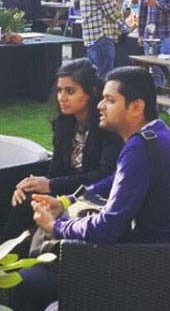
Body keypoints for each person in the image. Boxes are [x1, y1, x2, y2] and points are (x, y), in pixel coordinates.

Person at [14, 66, 170, 311]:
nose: (100, 106)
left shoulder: (140, 149)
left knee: (24, 281)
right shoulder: (157, 133)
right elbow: (115, 180)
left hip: (141, 265)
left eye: (110, 100)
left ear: (136, 107)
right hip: (156, 254)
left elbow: (108, 228)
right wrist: (67, 202)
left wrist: (56, 226)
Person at [1, 58, 122, 246]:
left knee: (25, 205)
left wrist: (49, 185)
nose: (62, 97)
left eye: (70, 91)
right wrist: (32, 185)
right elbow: (56, 171)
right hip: (65, 191)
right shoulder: (65, 124)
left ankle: (9, 256)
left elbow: (103, 176)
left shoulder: (107, 128)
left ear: (91, 93)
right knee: (20, 194)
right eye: (59, 90)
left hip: (92, 198)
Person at [80, 0, 122, 79]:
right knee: (105, 78)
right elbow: (112, 13)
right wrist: (119, 8)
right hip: (102, 37)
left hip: (90, 37)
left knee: (94, 78)